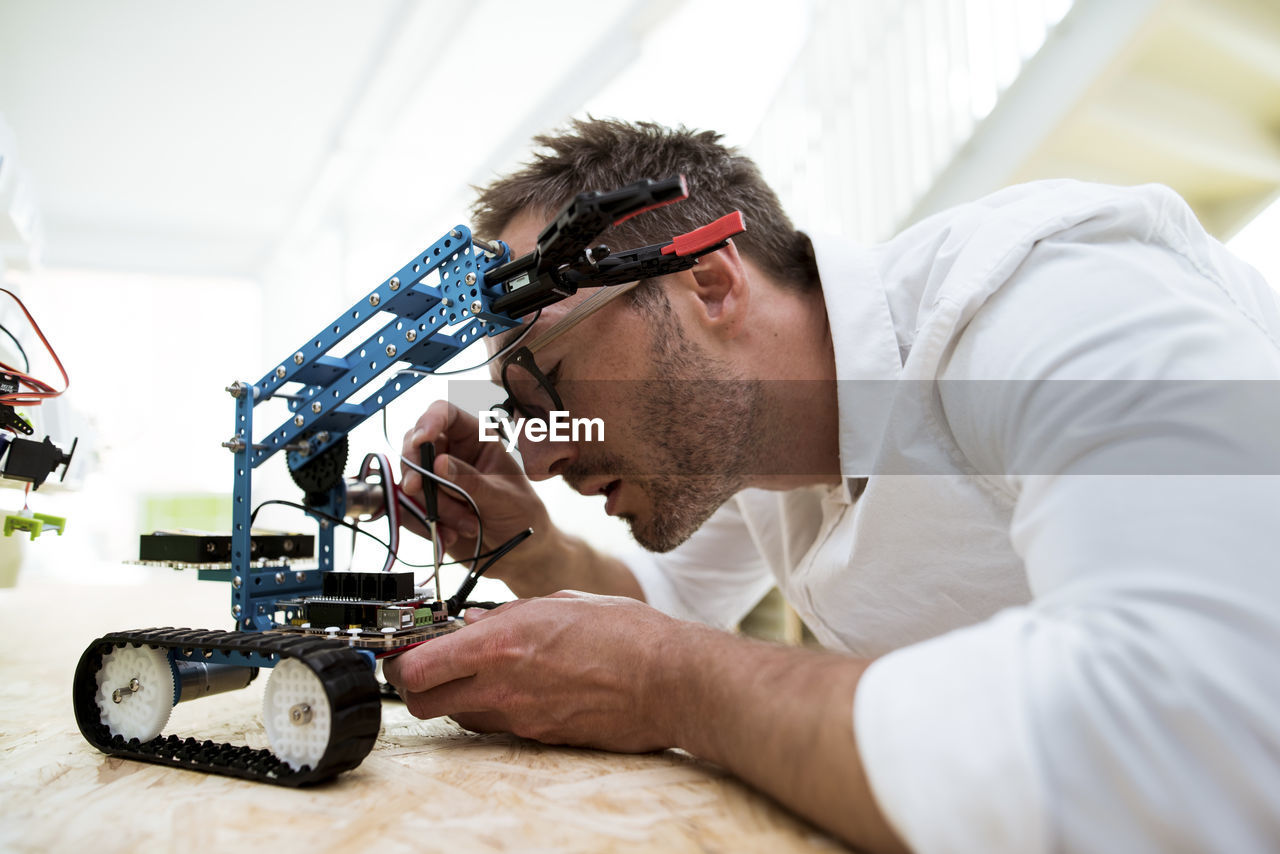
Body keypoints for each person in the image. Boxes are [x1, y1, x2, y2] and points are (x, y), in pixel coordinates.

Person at [383, 118, 1280, 853]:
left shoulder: (1053, 300)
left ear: (707, 279)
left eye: (550, 385)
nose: (541, 451)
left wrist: (671, 684)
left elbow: (1200, 733)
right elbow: (671, 604)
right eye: (515, 410)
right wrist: (525, 545)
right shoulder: (762, 441)